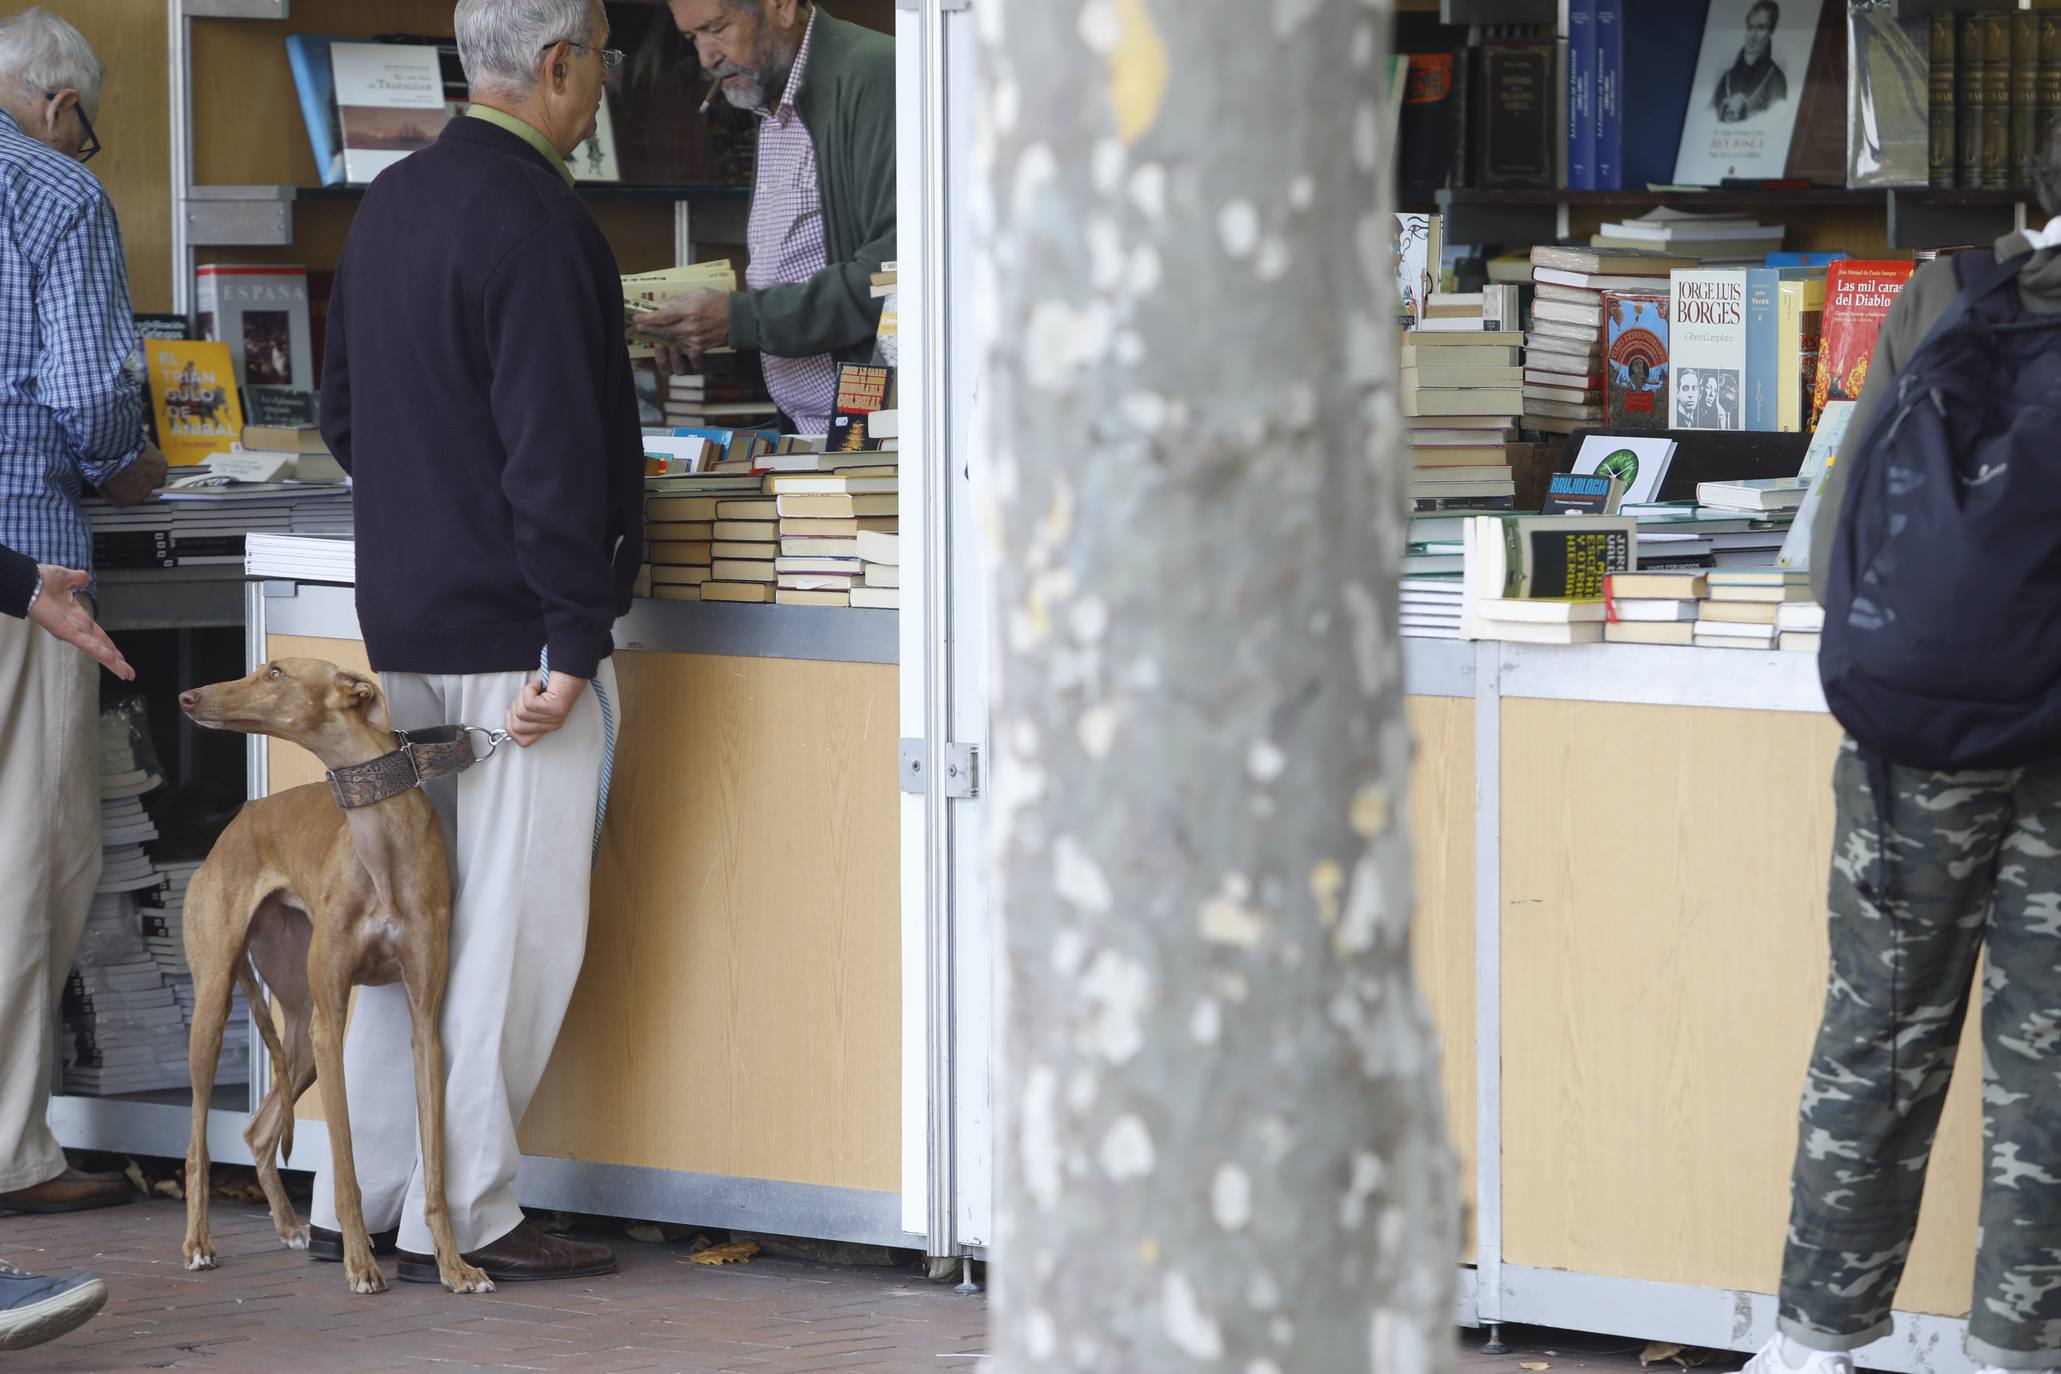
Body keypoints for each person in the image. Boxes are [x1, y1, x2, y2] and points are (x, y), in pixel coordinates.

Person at [310, 0, 639, 1284]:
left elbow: (342, 410)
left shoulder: (388, 202)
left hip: (401, 625)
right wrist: (573, 631)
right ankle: (475, 1208)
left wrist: (425, 506)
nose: (605, 82)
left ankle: (383, 1188)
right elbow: (557, 456)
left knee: (402, 920)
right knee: (507, 921)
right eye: (603, 58)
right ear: (557, 65)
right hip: (517, 635)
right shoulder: (544, 221)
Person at [1733, 147, 2061, 1374]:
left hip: (1917, 741)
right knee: (2054, 1052)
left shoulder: (1946, 293)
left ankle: (1816, 1344)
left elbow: (1836, 548)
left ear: (2037, 187)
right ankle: (2020, 1349)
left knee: (1879, 1029)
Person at [0, 4, 165, 1224]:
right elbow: (91, 390)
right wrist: (132, 465)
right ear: (59, 108)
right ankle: (12, 1153)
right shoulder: (54, 193)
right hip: (31, 577)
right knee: (24, 860)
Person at [639, 0, 895, 436]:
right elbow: (799, 274)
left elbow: (894, 272)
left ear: (782, 6)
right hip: (809, 431)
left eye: (716, 28)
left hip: (872, 433)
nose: (705, 56)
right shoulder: (770, 102)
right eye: (692, 38)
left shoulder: (873, 75)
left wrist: (741, 319)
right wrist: (705, 335)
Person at [1712, 0, 1787, 124]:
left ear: (1771, 31)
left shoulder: (1776, 79)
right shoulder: (1727, 77)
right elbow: (1708, 118)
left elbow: (1777, 123)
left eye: (1761, 28)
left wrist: (1744, 112)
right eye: (1750, 27)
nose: (1752, 36)